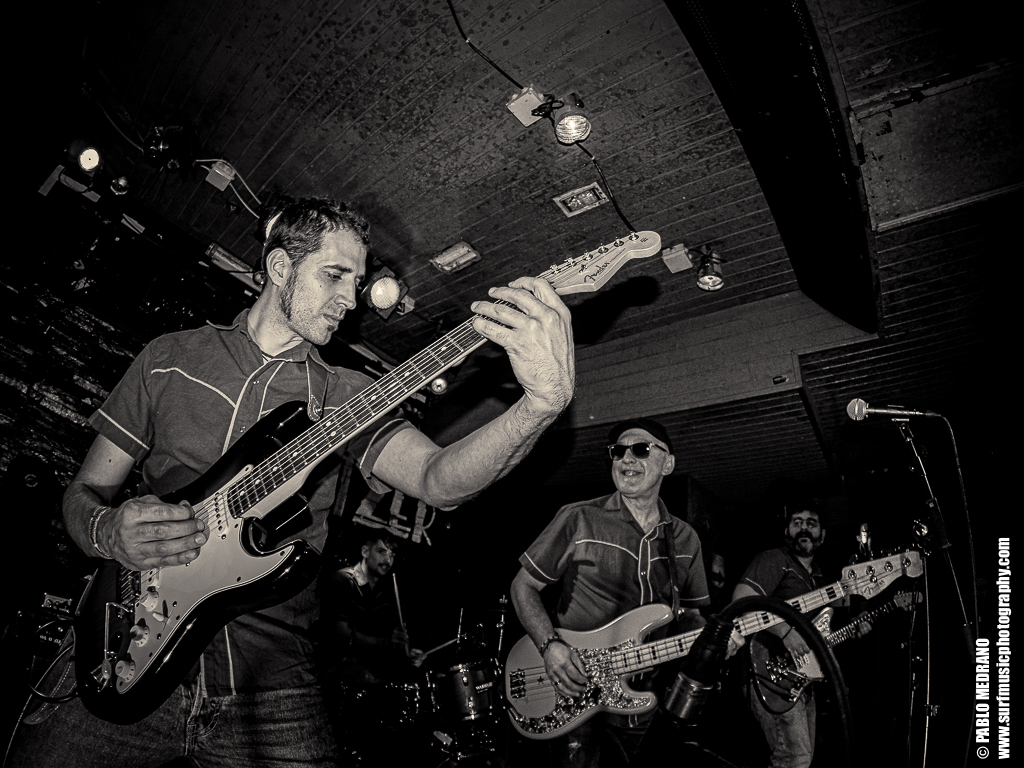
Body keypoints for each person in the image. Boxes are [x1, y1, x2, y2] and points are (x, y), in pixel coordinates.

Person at [8, 195, 575, 767]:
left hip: (270, 680)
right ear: (280, 267)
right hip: (123, 638)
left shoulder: (348, 394)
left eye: (358, 283)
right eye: (335, 275)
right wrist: (107, 531)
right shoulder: (169, 357)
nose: (350, 299)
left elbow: (437, 480)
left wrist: (540, 404)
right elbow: (84, 494)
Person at [509, 418, 711, 767]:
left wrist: (715, 640)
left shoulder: (685, 538)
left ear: (668, 463)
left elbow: (690, 615)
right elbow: (522, 585)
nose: (626, 458)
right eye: (618, 452)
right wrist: (549, 646)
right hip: (574, 687)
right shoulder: (580, 518)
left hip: (644, 694)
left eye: (641, 449)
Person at [732, 504, 868, 768]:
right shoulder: (775, 560)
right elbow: (743, 601)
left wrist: (855, 626)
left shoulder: (817, 578)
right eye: (797, 522)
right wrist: (786, 632)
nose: (804, 527)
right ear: (786, 531)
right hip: (770, 673)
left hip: (801, 679)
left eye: (811, 523)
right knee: (794, 760)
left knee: (800, 760)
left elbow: (821, 632)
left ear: (822, 535)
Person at [318, 532, 425, 759]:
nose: (388, 559)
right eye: (381, 551)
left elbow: (386, 645)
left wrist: (406, 653)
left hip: (369, 679)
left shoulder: (387, 591)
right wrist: (385, 643)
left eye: (392, 554)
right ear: (365, 552)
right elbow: (339, 633)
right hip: (336, 680)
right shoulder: (343, 580)